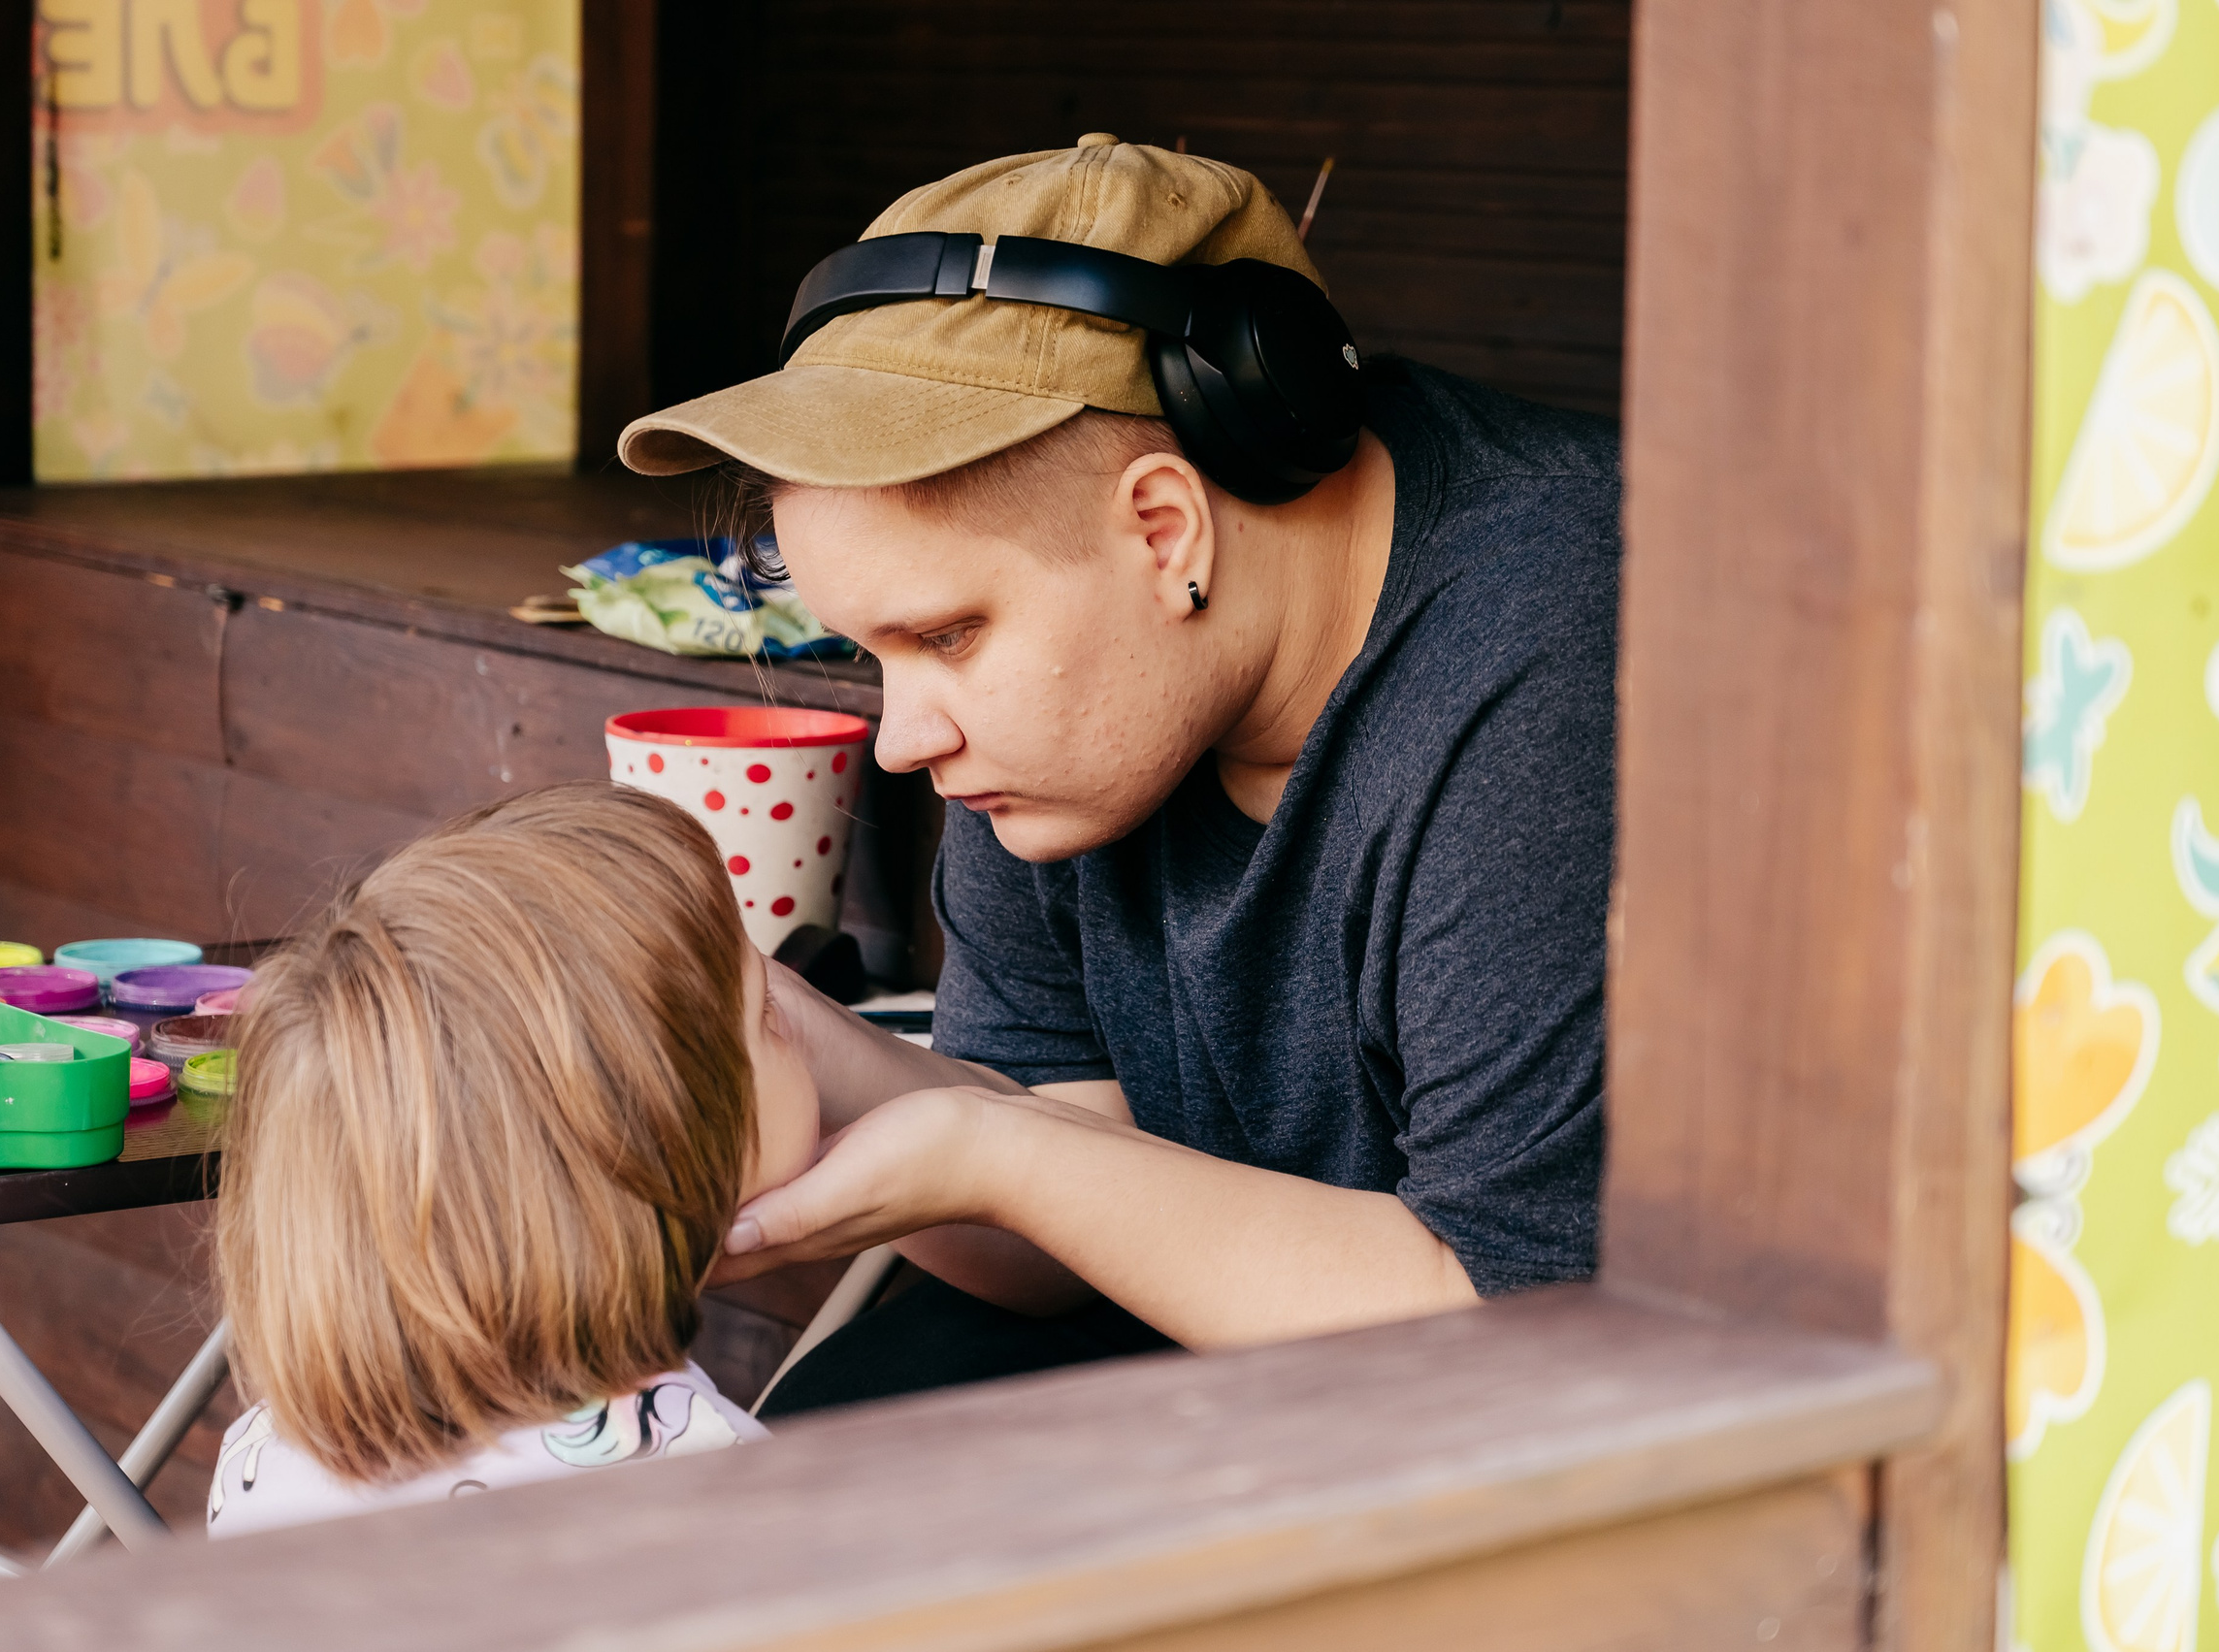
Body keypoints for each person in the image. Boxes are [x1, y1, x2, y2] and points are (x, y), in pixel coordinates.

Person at [618, 136, 1621, 1414]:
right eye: (871, 652)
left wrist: (1002, 1151)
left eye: (942, 636)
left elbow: (1520, 1337)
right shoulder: (1070, 717)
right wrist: (772, 1026)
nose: (901, 738)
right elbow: (1062, 1227)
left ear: (1165, 529)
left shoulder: (1548, 659)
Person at [207, 783, 810, 1536]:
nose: (799, 1025)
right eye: (767, 1012)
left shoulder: (264, 1458)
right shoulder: (714, 1474)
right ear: (657, 1140)